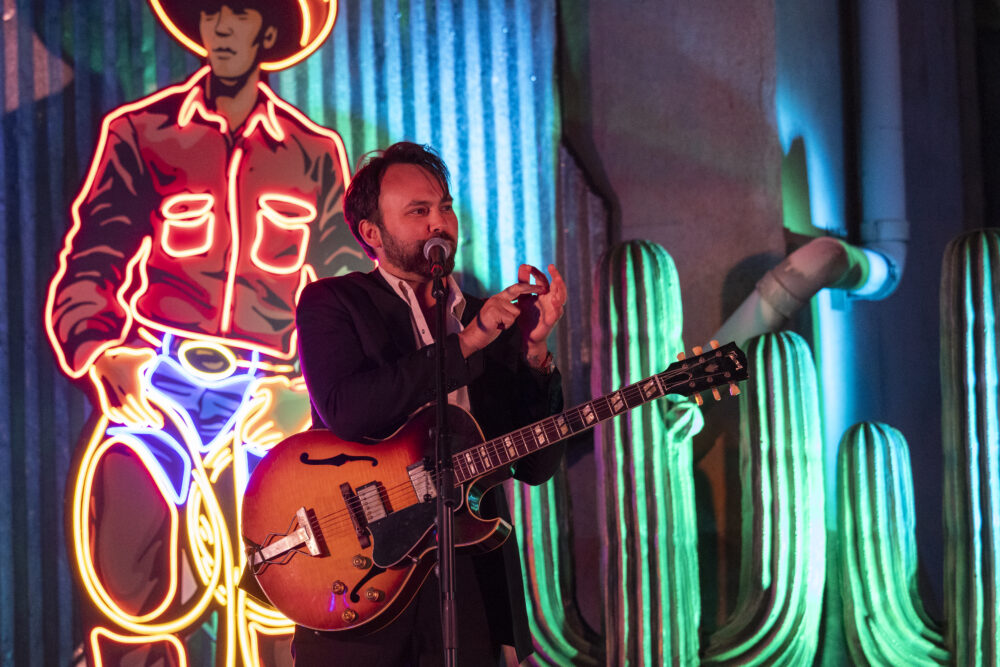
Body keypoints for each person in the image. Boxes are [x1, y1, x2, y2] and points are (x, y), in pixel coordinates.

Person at [44, 1, 365, 663]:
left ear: (268, 32)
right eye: (211, 11)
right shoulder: (143, 132)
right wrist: (105, 355)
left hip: (267, 397)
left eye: (238, 13)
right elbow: (89, 265)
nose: (220, 27)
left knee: (280, 602)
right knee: (127, 597)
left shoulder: (312, 153)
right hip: (157, 386)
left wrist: (306, 393)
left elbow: (349, 295)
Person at [292, 141, 567, 665]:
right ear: (372, 233)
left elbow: (535, 465)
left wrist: (535, 353)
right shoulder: (335, 302)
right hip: (364, 586)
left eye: (444, 207)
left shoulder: (489, 317)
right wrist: (466, 344)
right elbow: (348, 410)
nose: (439, 223)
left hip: (471, 585)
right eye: (418, 212)